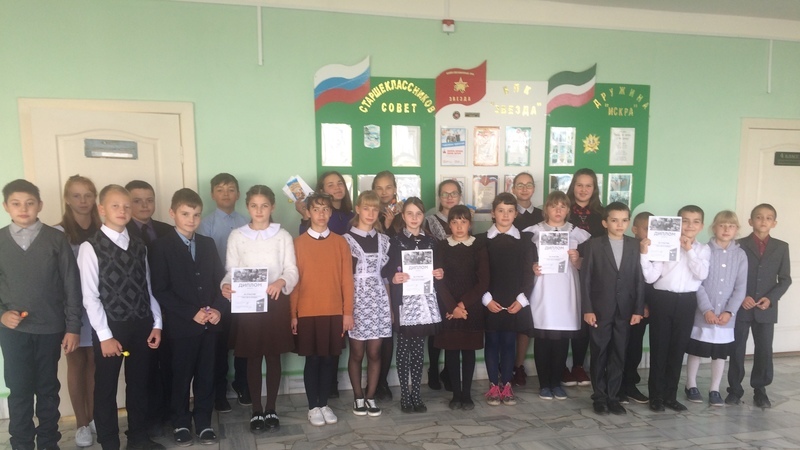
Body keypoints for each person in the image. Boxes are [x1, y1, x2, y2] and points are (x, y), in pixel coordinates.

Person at [77, 184, 164, 450]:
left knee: (139, 384)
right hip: (110, 329)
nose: (122, 210)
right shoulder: (90, 247)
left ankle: (138, 438)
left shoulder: (139, 245)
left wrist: (157, 324)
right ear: (102, 209)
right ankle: (109, 442)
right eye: (115, 205)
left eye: (127, 206)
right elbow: (90, 297)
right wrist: (105, 336)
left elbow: (147, 287)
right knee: (106, 388)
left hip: (141, 325)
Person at [0, 179, 82, 450]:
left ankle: (48, 442)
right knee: (19, 389)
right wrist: (2, 315)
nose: (23, 209)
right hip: (13, 331)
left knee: (47, 388)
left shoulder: (55, 239)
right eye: (16, 203)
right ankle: (21, 443)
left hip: (50, 328)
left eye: (29, 203)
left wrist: (73, 327)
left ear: (40, 205)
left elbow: (71, 285)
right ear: (6, 206)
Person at [149, 188, 227, 445]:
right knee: (180, 377)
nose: (191, 220)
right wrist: (191, 313)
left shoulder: (207, 244)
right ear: (172, 213)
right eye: (185, 214)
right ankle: (181, 422)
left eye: (196, 214)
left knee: (207, 376)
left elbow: (220, 282)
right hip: (181, 327)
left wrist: (218, 308)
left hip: (210, 324)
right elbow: (160, 289)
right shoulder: (161, 247)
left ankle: (204, 422)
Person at [221, 185, 298, 433]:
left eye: (264, 205)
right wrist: (225, 286)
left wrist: (281, 281)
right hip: (248, 304)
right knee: (253, 357)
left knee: (273, 356)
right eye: (254, 205)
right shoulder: (237, 236)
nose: (259, 210)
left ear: (272, 207)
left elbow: (292, 270)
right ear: (247, 207)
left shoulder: (282, 236)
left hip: (274, 301)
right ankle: (256, 409)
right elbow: (231, 271)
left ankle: (271, 408)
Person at [291, 192, 355, 426]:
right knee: (313, 359)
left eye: (325, 209)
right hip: (307, 311)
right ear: (308, 212)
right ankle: (312, 406)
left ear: (331, 213)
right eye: (316, 209)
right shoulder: (297, 244)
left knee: (329, 359)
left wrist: (347, 312)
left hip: (334, 311)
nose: (321, 214)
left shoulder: (340, 243)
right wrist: (293, 314)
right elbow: (294, 282)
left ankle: (324, 403)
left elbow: (347, 280)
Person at [640, 205, 710, 412]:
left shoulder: (703, 250)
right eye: (685, 221)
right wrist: (644, 254)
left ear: (701, 226)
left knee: (678, 350)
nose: (690, 225)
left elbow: (701, 274)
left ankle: (670, 396)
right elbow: (650, 277)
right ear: (678, 223)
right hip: (662, 300)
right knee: (659, 348)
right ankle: (656, 397)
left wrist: (689, 250)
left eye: (695, 221)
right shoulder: (664, 245)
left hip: (687, 301)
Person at [580, 202, 645, 415]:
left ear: (629, 222)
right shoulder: (594, 245)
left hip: (625, 310)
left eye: (624, 220)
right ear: (605, 222)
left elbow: (639, 279)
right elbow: (586, 279)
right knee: (599, 353)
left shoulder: (634, 245)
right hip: (599, 310)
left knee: (619, 353)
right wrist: (587, 309)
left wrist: (638, 309)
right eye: (614, 220)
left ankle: (614, 396)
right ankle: (599, 397)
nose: (619, 224)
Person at [526, 191, 589, 401]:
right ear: (546, 209)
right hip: (544, 287)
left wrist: (577, 259)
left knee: (562, 338)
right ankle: (544, 384)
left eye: (563, 206)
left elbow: (585, 265)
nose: (558, 210)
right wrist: (532, 267)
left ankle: (556, 382)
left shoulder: (577, 233)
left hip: (566, 288)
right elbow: (524, 261)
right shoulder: (533, 232)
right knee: (543, 337)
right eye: (554, 206)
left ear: (568, 210)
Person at [727, 204, 792, 408]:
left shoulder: (782, 247)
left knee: (764, 349)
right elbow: (731, 276)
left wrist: (770, 298)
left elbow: (785, 279)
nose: (763, 221)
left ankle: (760, 390)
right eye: (759, 217)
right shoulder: (738, 245)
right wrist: (742, 296)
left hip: (766, 308)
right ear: (750, 221)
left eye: (768, 218)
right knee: (737, 348)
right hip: (742, 306)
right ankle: (734, 390)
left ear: (774, 223)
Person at [54, 175, 102, 447]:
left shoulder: (104, 230)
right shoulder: (57, 233)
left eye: (88, 195)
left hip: (98, 308)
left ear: (95, 198)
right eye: (76, 195)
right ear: (67, 199)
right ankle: (81, 423)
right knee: (76, 363)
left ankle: (95, 418)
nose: (83, 201)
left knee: (96, 363)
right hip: (70, 311)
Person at [198, 173, 251, 411]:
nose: (226, 194)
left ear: (238, 194)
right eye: (220, 189)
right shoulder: (205, 224)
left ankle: (242, 384)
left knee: (243, 340)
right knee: (218, 344)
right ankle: (219, 391)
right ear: (212, 194)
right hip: (217, 293)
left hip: (245, 291)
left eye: (230, 189)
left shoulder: (247, 221)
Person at [123, 179, 173, 432]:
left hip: (169, 308)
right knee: (143, 369)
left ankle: (168, 413)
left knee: (169, 363)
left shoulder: (167, 230)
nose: (144, 205)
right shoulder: (120, 232)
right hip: (138, 312)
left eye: (149, 200)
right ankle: (146, 421)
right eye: (137, 200)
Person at [386, 197, 444, 413]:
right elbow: (386, 270)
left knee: (419, 350)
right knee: (403, 349)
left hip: (424, 301)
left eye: (418, 214)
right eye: (409, 213)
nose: (414, 218)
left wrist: (440, 273)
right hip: (404, 301)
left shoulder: (432, 242)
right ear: (403, 216)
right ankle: (404, 394)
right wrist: (394, 277)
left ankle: (416, 394)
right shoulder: (395, 241)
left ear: (423, 216)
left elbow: (438, 267)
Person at [684, 210, 747, 407]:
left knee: (719, 353)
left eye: (731, 226)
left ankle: (714, 389)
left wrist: (729, 312)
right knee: (696, 350)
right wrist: (707, 309)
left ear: (736, 229)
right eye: (722, 225)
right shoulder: (705, 250)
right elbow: (697, 282)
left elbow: (740, 288)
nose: (726, 229)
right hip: (703, 313)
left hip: (726, 318)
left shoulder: (740, 255)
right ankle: (691, 384)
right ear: (713, 228)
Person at [478, 193, 535, 406]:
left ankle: (507, 385)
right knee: (492, 342)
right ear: (493, 213)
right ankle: (494, 385)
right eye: (501, 210)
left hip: (514, 301)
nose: (505, 215)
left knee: (510, 342)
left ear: (516, 214)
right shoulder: (482, 240)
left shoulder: (525, 241)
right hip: (490, 300)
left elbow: (528, 273)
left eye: (510, 211)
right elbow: (477, 273)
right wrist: (485, 298)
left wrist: (522, 299)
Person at [435, 205, 489, 410]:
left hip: (470, 309)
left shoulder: (478, 246)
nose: (459, 226)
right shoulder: (442, 246)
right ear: (449, 225)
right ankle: (455, 395)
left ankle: (466, 394)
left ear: (470, 224)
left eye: (463, 222)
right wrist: (452, 307)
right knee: (451, 352)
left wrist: (462, 305)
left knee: (468, 352)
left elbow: (483, 281)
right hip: (448, 308)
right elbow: (439, 280)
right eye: (455, 222)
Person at [344, 191, 392, 417]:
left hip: (379, 300)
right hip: (356, 301)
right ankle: (357, 396)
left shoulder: (384, 240)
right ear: (358, 209)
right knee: (356, 353)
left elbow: (386, 277)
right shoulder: (345, 240)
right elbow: (343, 278)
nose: (371, 213)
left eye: (375, 209)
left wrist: (389, 307)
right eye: (366, 208)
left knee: (375, 352)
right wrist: (346, 309)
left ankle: (371, 396)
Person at [563, 168, 604, 387]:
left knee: (584, 318)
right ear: (573, 186)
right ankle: (561, 365)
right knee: (563, 315)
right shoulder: (562, 209)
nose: (583, 189)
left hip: (592, 273)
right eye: (579, 184)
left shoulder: (602, 214)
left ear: (594, 189)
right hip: (563, 272)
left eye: (589, 185)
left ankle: (578, 366)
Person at [423, 179, 462, 391]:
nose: (449, 197)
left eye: (453, 193)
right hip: (436, 279)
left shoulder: (464, 217)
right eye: (445, 193)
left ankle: (449, 370)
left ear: (459, 196)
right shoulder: (429, 220)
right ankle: (433, 369)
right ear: (439, 197)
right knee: (437, 327)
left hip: (459, 279)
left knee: (453, 327)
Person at [510, 172, 544, 387]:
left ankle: (519, 365)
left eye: (528, 185)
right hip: (509, 272)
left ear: (534, 188)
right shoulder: (508, 211)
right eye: (520, 185)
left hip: (534, 274)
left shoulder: (542, 215)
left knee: (525, 322)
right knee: (507, 319)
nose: (524, 189)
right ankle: (505, 365)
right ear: (513, 188)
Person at [372, 170, 402, 401]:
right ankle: (373, 381)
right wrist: (385, 223)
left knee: (389, 332)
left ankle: (382, 382)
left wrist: (391, 224)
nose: (384, 192)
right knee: (374, 334)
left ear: (395, 189)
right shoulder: (369, 212)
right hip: (373, 281)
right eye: (379, 188)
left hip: (396, 280)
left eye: (388, 187)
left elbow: (398, 247)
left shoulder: (403, 213)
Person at [622, 211, 654, 404]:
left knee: (635, 346)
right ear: (634, 229)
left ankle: (630, 384)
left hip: (647, 307)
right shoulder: (628, 248)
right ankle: (619, 385)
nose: (651, 233)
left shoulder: (660, 249)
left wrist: (646, 304)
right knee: (622, 346)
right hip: (628, 306)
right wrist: (639, 304)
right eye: (647, 228)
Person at [296, 171, 355, 236]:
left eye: (340, 183)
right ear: (322, 191)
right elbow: (306, 239)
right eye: (330, 185)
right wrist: (305, 216)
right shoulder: (320, 215)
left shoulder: (352, 216)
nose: (337, 187)